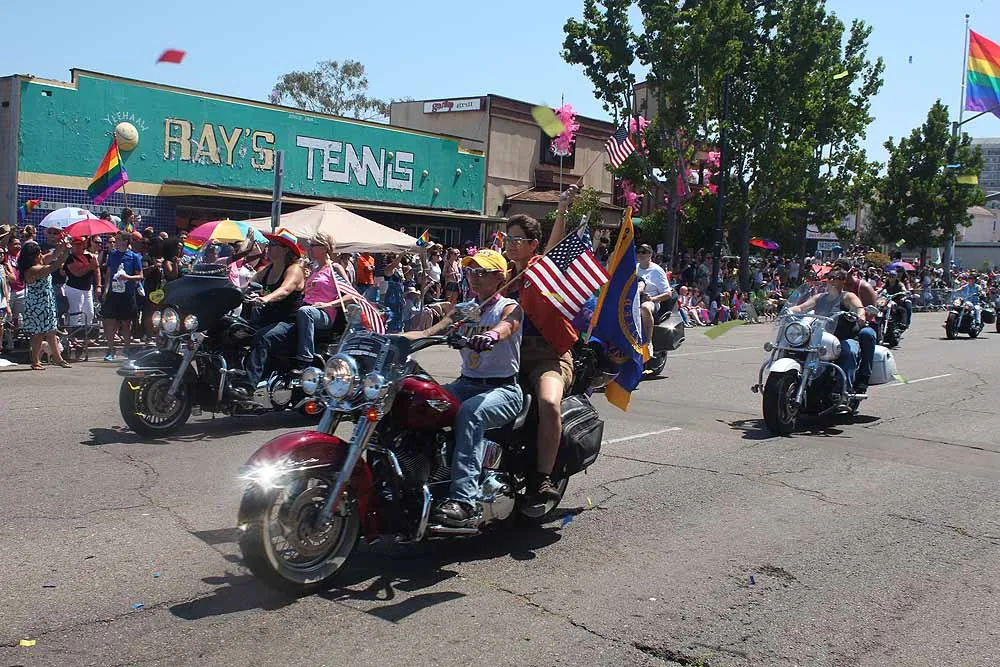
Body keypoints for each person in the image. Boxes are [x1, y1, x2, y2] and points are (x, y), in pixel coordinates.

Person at [405, 249, 523, 527]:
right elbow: (428, 333)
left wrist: (490, 335)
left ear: (500, 277)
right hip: (466, 384)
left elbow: (508, 326)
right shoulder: (465, 309)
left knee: (471, 413)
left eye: (482, 272)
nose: (474, 277)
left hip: (503, 390)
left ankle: (464, 501)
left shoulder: (509, 306)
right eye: (471, 271)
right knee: (417, 400)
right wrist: (387, 338)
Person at [505, 185, 578, 505]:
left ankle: (543, 477)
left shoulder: (542, 270)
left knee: (549, 402)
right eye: (507, 239)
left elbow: (555, 249)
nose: (511, 244)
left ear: (533, 244)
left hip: (548, 355)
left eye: (517, 239)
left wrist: (561, 210)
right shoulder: (501, 275)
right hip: (509, 357)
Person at [243, 229, 306, 392]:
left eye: (274, 244)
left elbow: (285, 290)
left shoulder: (294, 269)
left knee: (262, 337)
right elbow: (247, 285)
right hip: (266, 319)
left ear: (285, 249)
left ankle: (248, 387)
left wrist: (266, 298)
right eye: (269, 244)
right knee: (234, 330)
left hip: (288, 324)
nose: (269, 248)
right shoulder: (267, 269)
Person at [788, 270, 868, 393]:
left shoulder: (847, 296)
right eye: (830, 277)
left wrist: (860, 315)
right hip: (821, 337)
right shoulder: (819, 297)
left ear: (843, 281)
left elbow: (859, 308)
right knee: (795, 349)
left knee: (849, 352)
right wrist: (788, 311)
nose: (832, 280)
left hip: (844, 337)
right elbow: (801, 307)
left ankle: (844, 391)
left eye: (837, 278)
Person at [18, 237, 72, 370]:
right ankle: (35, 361)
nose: (41, 255)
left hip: (46, 303)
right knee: (38, 334)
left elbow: (54, 254)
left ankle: (58, 359)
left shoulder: (40, 261)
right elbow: (53, 267)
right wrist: (66, 253)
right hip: (37, 305)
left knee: (51, 331)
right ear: (33, 256)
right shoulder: (32, 270)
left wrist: (63, 245)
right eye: (39, 253)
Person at [101, 231, 144, 361]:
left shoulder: (134, 257)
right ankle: (110, 349)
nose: (116, 242)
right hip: (113, 293)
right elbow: (109, 273)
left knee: (126, 323)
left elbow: (140, 276)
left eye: (118, 239)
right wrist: (105, 290)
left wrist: (127, 278)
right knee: (110, 322)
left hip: (127, 294)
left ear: (125, 241)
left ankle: (127, 348)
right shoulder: (112, 255)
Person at [636, 243, 673, 343]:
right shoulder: (634, 268)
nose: (640, 254)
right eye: (638, 252)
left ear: (650, 255)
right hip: (633, 299)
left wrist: (652, 299)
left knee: (644, 307)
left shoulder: (657, 271)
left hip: (651, 301)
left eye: (644, 252)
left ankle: (648, 342)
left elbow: (668, 293)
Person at [64, 236, 100, 326]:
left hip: (87, 289)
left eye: (80, 244)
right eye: (75, 245)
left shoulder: (90, 256)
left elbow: (97, 271)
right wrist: (90, 266)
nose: (77, 247)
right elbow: (77, 273)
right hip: (74, 289)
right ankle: (72, 333)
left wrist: (98, 286)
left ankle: (86, 332)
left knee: (89, 313)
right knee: (75, 314)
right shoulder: (70, 258)